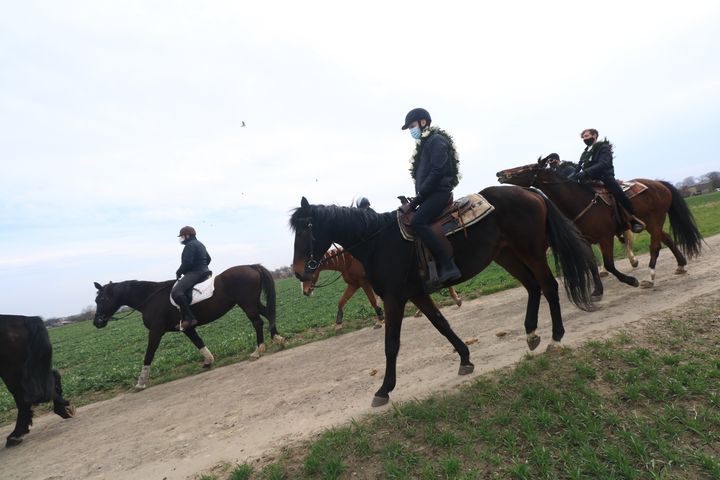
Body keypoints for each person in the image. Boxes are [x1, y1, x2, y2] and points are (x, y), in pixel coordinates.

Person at [400, 107, 461, 284]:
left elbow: (437, 173)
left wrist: (417, 200)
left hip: (438, 193)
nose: (411, 130)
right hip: (429, 195)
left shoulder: (436, 141)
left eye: (412, 126)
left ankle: (449, 265)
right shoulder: (426, 145)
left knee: (418, 222)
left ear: (423, 122)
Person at [571, 129, 644, 233]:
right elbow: (578, 167)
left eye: (586, 136)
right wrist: (570, 178)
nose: (585, 139)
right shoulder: (585, 152)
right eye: (583, 137)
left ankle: (632, 219)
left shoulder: (603, 147)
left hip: (605, 177)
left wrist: (586, 172)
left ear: (594, 135)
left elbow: (603, 163)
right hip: (589, 179)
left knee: (618, 192)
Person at [172, 226, 212, 330]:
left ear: (187, 235)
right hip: (205, 271)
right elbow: (208, 259)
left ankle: (190, 319)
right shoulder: (200, 244)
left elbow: (187, 263)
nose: (181, 239)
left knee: (176, 292)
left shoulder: (189, 246)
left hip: (195, 273)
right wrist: (203, 267)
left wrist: (179, 271)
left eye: (182, 236)